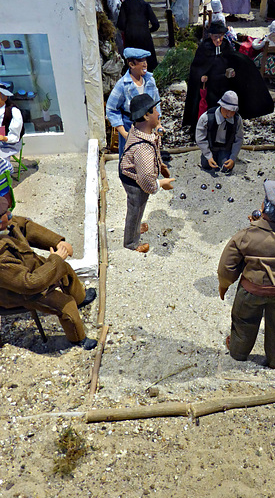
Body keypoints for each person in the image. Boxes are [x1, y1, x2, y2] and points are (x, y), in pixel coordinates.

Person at [218, 180, 275, 369]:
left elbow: (227, 266)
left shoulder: (245, 235)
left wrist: (225, 284)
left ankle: (238, 353)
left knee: (244, 322)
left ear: (264, 208)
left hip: (252, 290)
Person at [0, 196, 97, 349]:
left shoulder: (7, 225)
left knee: (64, 270)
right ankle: (78, 338)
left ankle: (81, 298)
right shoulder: (1, 258)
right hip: (22, 291)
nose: (10, 214)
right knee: (66, 306)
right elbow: (29, 284)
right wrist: (55, 260)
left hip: (32, 269)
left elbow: (25, 226)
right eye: (5, 213)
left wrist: (56, 242)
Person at [183, 21, 274, 134]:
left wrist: (233, 72)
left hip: (224, 85)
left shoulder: (226, 45)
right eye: (216, 36)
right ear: (211, 36)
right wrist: (202, 76)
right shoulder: (204, 48)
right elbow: (198, 67)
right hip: (210, 86)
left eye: (221, 36)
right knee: (210, 109)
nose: (219, 39)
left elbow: (232, 59)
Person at [119, 93, 175, 252]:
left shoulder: (140, 130)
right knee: (135, 208)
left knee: (139, 208)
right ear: (145, 115)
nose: (158, 113)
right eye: (155, 110)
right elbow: (146, 183)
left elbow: (155, 140)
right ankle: (131, 243)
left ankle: (135, 228)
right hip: (133, 180)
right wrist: (161, 183)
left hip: (136, 173)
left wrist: (161, 165)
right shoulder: (143, 149)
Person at [106, 47, 161, 159]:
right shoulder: (123, 85)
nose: (145, 64)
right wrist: (124, 133)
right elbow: (111, 109)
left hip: (148, 123)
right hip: (129, 124)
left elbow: (156, 103)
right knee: (130, 156)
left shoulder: (150, 81)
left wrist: (158, 123)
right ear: (132, 64)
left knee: (149, 155)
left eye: (145, 61)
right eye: (141, 62)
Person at [196, 90, 243, 174]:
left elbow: (238, 139)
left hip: (226, 147)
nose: (229, 113)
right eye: (227, 110)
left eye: (232, 111)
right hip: (211, 147)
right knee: (206, 164)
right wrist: (208, 156)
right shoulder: (207, 117)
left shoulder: (237, 120)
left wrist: (232, 158)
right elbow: (200, 138)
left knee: (226, 167)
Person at [117, 0, 159, 71]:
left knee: (132, 63)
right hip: (144, 37)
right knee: (148, 64)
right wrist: (147, 30)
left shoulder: (125, 5)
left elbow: (120, 24)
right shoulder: (145, 5)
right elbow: (156, 24)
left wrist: (129, 30)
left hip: (131, 38)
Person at [0, 85, 24, 167]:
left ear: (4, 97)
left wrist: (4, 138)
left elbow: (15, 136)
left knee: (2, 164)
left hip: (8, 144)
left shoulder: (13, 112)